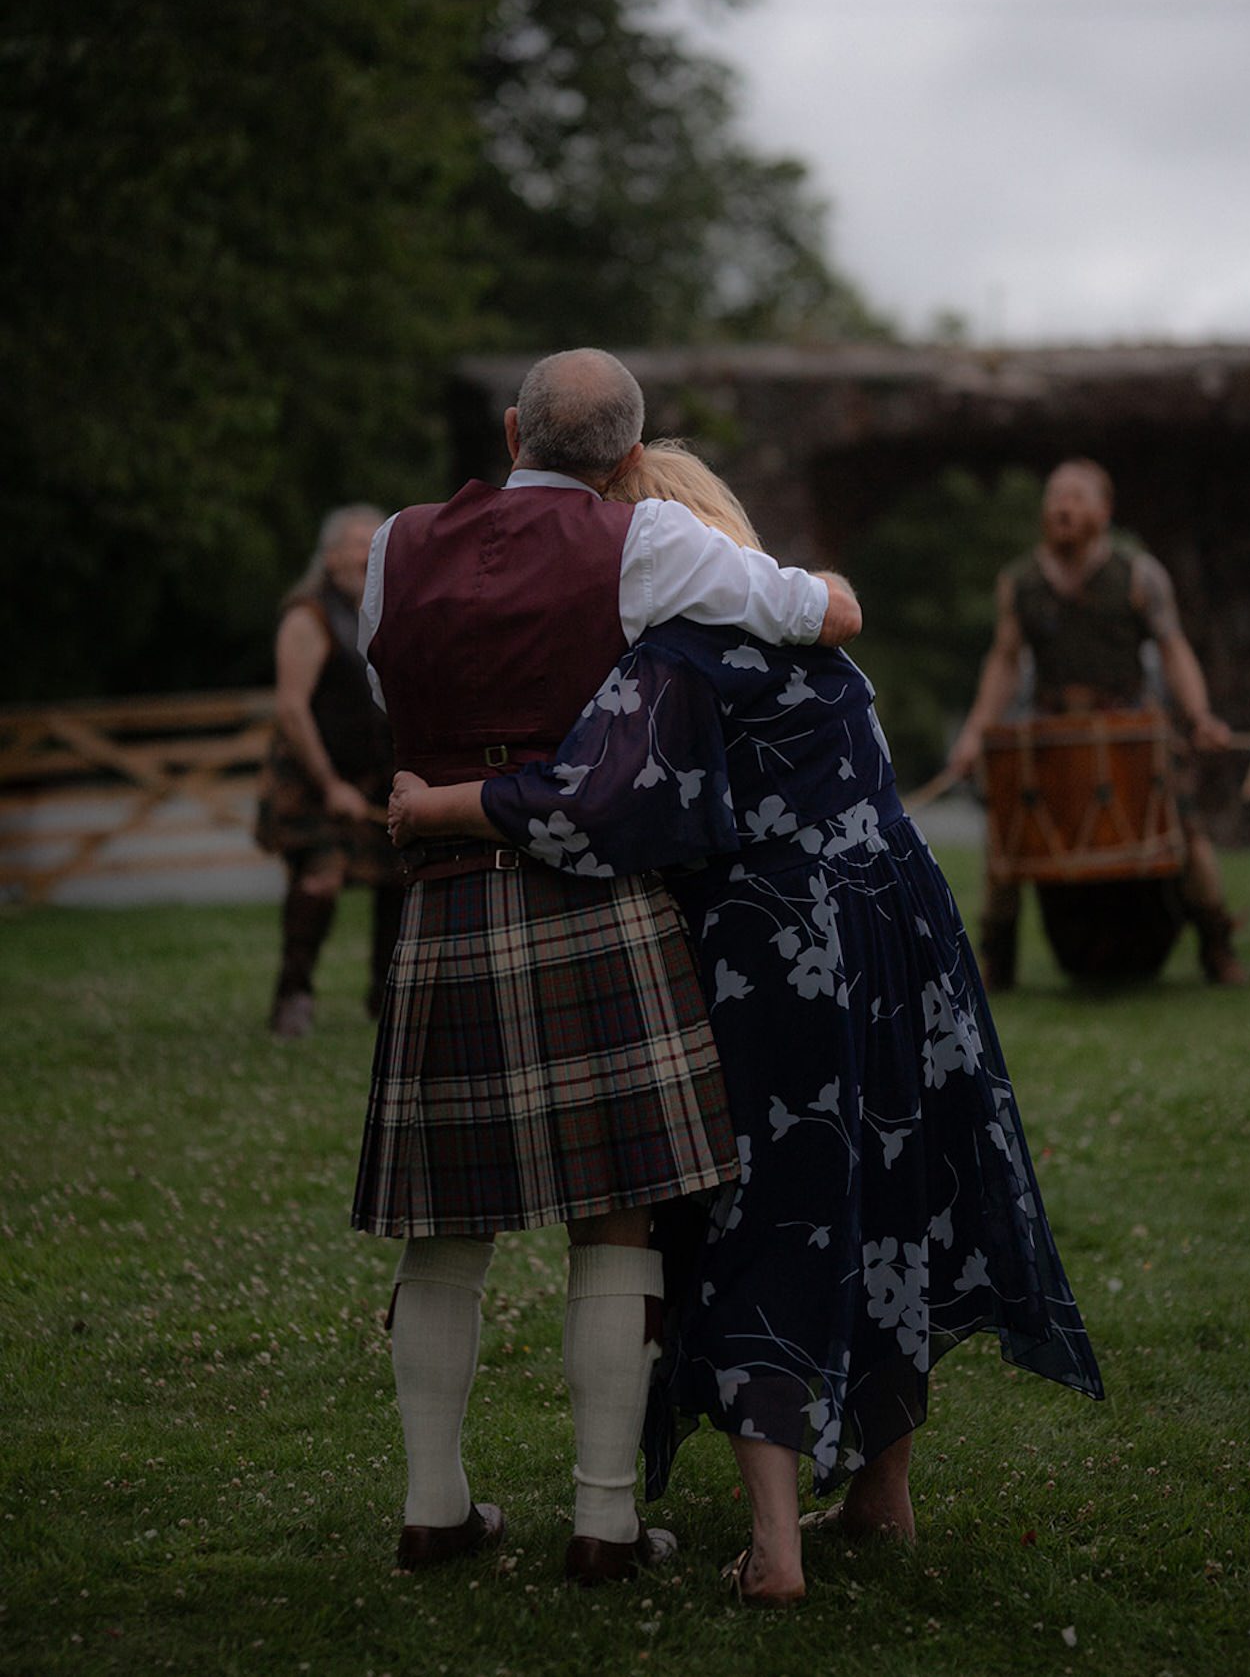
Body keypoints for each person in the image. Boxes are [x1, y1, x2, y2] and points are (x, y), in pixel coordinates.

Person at [389, 441, 1104, 1608]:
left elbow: (587, 807)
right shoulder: (811, 638)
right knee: (885, 1197)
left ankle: (775, 1548)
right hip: (899, 928)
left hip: (778, 950)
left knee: (762, 1212)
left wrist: (438, 806)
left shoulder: (674, 659)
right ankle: (878, 1495)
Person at [352, 353, 863, 1587]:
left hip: (445, 898)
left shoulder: (393, 545)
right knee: (617, 1215)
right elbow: (812, 613)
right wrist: (831, 588)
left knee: (445, 1220)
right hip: (596, 900)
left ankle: (432, 1509)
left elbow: (388, 688)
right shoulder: (644, 541)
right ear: (631, 459)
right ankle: (603, 1524)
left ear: (511, 431)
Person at [948, 459, 1243, 988]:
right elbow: (1005, 661)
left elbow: (1173, 648)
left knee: (1187, 833)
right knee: (1007, 839)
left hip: (1129, 734)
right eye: (1054, 497)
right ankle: (997, 962)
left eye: (1076, 497)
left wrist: (1199, 716)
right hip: (1051, 737)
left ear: (1104, 511)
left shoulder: (1139, 574)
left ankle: (1217, 946)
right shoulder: (1019, 581)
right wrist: (974, 733)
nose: (1061, 507)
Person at [255, 505, 401, 1038]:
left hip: (377, 775)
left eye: (374, 543)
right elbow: (291, 710)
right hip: (312, 776)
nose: (366, 554)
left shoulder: (390, 609)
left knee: (400, 879)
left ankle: (388, 998)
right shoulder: (308, 615)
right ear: (331, 554)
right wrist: (330, 785)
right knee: (320, 877)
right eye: (357, 543)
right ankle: (293, 997)